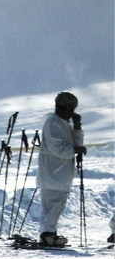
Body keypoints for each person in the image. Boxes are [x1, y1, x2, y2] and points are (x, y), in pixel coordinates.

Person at [37, 91, 86, 247]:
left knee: (57, 205)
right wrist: (75, 151)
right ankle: (46, 234)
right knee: (52, 204)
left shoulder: (63, 123)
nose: (72, 114)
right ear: (62, 107)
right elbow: (57, 148)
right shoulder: (52, 122)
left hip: (61, 173)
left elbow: (75, 143)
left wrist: (77, 127)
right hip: (52, 173)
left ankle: (50, 232)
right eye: (71, 110)